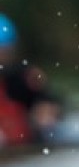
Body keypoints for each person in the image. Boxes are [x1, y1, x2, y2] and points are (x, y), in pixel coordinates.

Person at [0, 14, 65, 147]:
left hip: (23, 145)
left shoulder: (23, 77)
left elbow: (51, 102)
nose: (3, 57)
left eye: (6, 52)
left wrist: (47, 112)